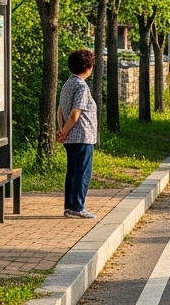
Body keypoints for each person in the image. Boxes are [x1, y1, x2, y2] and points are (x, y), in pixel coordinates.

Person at [58, 49, 98, 219]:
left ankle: (69, 206)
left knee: (72, 171)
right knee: (82, 172)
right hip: (82, 136)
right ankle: (77, 207)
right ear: (88, 67)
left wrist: (62, 131)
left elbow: (60, 110)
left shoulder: (68, 84)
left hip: (70, 137)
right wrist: (65, 131)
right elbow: (76, 113)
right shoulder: (82, 86)